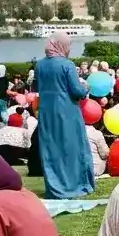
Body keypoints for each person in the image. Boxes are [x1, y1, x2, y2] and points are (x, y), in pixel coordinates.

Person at [33, 33, 94, 199]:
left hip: (46, 112)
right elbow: (77, 91)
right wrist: (86, 87)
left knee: (51, 148)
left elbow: (35, 87)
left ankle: (54, 186)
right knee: (72, 147)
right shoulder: (67, 65)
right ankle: (75, 184)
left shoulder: (39, 65)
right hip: (66, 111)